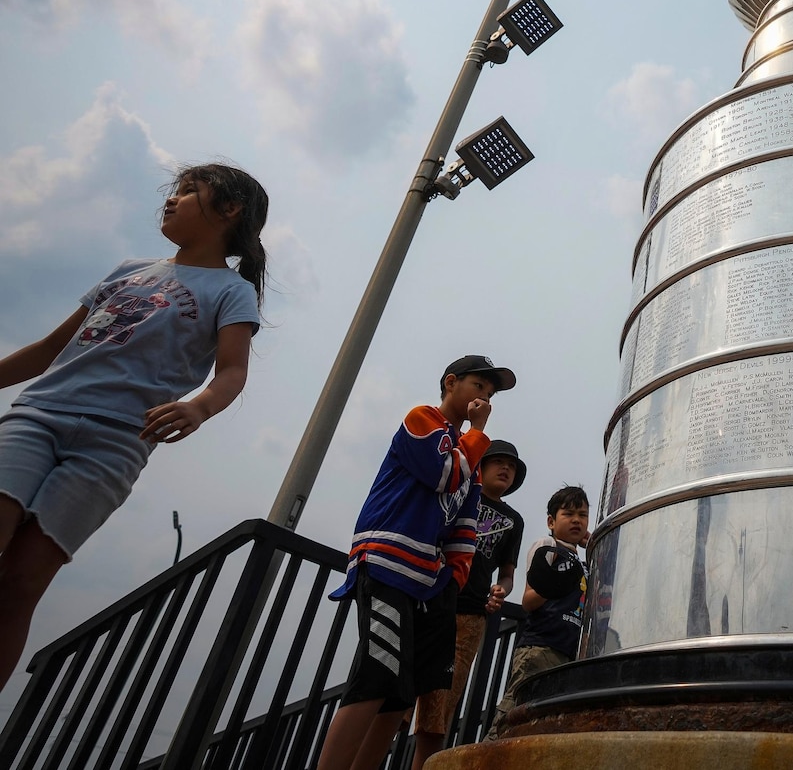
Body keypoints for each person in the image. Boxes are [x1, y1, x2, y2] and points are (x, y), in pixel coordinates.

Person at [0, 162, 269, 689]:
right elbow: (49, 352)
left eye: (189, 191)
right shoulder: (128, 270)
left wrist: (199, 407)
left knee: (18, 586)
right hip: (38, 415)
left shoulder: (231, 291)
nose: (172, 200)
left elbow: (233, 370)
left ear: (230, 210)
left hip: (115, 445)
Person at [315, 355, 516, 770]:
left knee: (403, 692)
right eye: (479, 387)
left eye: (491, 394)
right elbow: (443, 474)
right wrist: (478, 433)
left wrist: (453, 579)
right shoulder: (422, 419)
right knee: (378, 671)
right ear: (450, 383)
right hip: (388, 560)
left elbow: (465, 529)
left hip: (428, 582)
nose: (486, 398)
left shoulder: (471, 458)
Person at [406, 439, 526, 768]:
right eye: (499, 462)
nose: (506, 469)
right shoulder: (459, 495)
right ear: (481, 466)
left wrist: (500, 590)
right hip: (427, 601)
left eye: (512, 466)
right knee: (395, 699)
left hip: (471, 617)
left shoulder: (514, 520)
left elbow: (507, 575)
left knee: (438, 714)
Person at [485, 485, 589, 740]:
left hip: (568, 654)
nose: (576, 519)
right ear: (551, 521)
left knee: (545, 724)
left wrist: (592, 541)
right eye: (568, 513)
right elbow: (528, 601)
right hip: (540, 647)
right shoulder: (548, 546)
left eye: (583, 515)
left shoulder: (586, 563)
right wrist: (555, 582)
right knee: (513, 716)